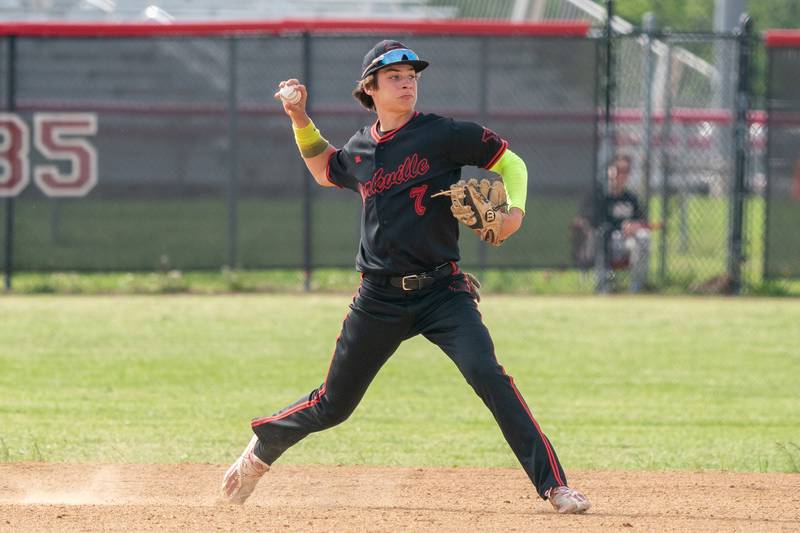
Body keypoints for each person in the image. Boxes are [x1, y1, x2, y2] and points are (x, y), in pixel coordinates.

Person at [220, 40, 590, 514]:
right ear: (369, 88)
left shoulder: (443, 134)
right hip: (379, 298)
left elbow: (510, 162)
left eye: (412, 73)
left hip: (443, 291)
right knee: (334, 405)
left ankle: (555, 486)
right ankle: (262, 451)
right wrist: (298, 117)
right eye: (395, 75)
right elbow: (324, 168)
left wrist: (513, 213)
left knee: (488, 376)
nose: (408, 80)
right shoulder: (360, 149)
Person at [572, 154, 652, 292]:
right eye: (618, 169)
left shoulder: (631, 198)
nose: (621, 174)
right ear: (609, 170)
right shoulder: (599, 195)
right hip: (603, 240)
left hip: (625, 242)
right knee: (600, 235)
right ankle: (603, 286)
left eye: (626, 171)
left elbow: (642, 220)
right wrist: (620, 226)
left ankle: (636, 288)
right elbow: (591, 219)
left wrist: (635, 227)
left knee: (643, 237)